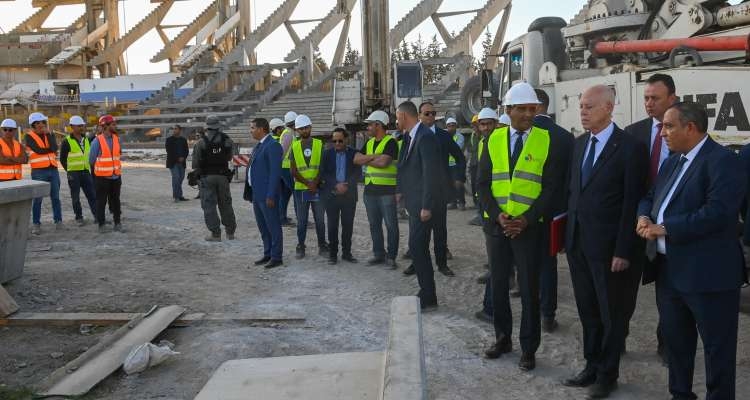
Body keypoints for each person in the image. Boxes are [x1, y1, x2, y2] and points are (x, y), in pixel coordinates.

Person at [637, 102, 746, 400]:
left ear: (691, 127)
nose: (662, 133)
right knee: (676, 343)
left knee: (717, 349)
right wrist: (643, 216)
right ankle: (680, 395)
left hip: (709, 274)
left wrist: (666, 227)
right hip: (669, 272)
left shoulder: (723, 161)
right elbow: (650, 196)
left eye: (669, 126)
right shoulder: (672, 161)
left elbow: (719, 213)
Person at [563, 85, 649, 398]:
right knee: (587, 310)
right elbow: (574, 193)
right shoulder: (580, 144)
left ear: (609, 108)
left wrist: (624, 250)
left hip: (610, 250)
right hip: (579, 245)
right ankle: (591, 365)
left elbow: (631, 201)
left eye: (588, 107)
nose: (582, 112)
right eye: (581, 106)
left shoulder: (629, 147)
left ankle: (607, 374)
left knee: (612, 314)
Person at [478, 82, 567, 372]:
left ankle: (529, 349)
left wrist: (526, 220)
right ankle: (502, 339)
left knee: (529, 291)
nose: (529, 114)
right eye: (523, 109)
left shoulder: (546, 139)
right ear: (509, 110)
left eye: (533, 109)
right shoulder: (492, 139)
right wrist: (497, 216)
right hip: (499, 228)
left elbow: (551, 189)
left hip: (530, 229)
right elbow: (482, 185)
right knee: (500, 286)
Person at [624, 73, 677, 362]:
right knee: (624, 289)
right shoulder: (633, 133)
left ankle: (666, 343)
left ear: (672, 99)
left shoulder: (682, 133)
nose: (649, 103)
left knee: (667, 292)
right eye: (646, 98)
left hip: (667, 228)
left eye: (655, 98)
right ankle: (617, 340)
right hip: (637, 224)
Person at [403, 102, 463, 277]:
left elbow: (458, 156)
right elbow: (404, 165)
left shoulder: (443, 136)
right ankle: (416, 262)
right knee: (417, 232)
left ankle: (442, 263)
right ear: (419, 115)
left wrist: (458, 177)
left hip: (439, 192)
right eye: (427, 113)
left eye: (433, 113)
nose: (430, 116)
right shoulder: (411, 136)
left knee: (439, 230)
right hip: (418, 194)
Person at [533, 89, 575, 333]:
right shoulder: (565, 137)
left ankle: (533, 309)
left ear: (536, 106)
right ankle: (548, 315)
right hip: (555, 214)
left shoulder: (524, 135)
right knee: (548, 265)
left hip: (526, 211)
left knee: (528, 264)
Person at [396, 101, 441, 310]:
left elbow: (431, 175)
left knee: (417, 246)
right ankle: (427, 293)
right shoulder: (410, 136)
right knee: (417, 247)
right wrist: (400, 191)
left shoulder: (426, 137)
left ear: (404, 116)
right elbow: (405, 166)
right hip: (413, 203)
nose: (396, 121)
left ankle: (428, 295)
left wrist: (426, 206)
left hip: (424, 205)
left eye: (397, 117)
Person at [354, 110, 400, 269]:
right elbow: (356, 159)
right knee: (374, 225)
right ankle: (378, 254)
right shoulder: (370, 142)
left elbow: (384, 163)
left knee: (391, 226)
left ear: (378, 125)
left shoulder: (391, 142)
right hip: (370, 191)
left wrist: (368, 159)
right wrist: (375, 156)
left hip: (387, 192)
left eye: (370, 125)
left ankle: (391, 257)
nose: (368, 128)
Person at [244, 118, 284, 269]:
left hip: (267, 194)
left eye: (253, 127)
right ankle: (268, 252)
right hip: (257, 193)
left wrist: (271, 195)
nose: (251, 130)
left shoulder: (273, 146)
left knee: (273, 225)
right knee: (263, 226)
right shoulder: (260, 145)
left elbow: (275, 173)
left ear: (261, 129)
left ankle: (276, 256)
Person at [191, 115, 237, 241]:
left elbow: (195, 163)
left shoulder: (200, 142)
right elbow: (230, 157)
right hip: (223, 176)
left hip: (207, 177)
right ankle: (230, 232)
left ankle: (215, 234)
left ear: (207, 127)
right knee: (226, 204)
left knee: (209, 205)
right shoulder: (227, 140)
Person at [289, 114, 327, 258]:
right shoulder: (294, 146)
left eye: (306, 127)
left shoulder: (319, 144)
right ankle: (301, 246)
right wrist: (308, 183)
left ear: (310, 127)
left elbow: (322, 167)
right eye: (301, 129)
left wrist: (314, 183)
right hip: (301, 189)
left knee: (320, 220)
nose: (304, 130)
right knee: (302, 221)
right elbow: (293, 170)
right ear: (297, 130)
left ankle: (322, 245)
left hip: (316, 188)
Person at [321, 128, 360, 265]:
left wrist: (347, 184)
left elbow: (358, 173)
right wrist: (335, 185)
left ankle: (347, 253)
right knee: (332, 226)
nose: (337, 143)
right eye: (334, 141)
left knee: (348, 226)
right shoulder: (326, 154)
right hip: (331, 195)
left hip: (349, 196)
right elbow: (323, 173)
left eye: (340, 140)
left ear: (346, 139)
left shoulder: (354, 154)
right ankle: (332, 254)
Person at [25, 112, 62, 234]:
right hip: (39, 171)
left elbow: (55, 148)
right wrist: (50, 149)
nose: (42, 125)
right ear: (33, 125)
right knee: (38, 199)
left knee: (56, 197)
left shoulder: (49, 134)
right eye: (39, 123)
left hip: (53, 169)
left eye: (43, 123)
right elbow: (38, 150)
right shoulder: (29, 136)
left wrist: (50, 136)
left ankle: (58, 221)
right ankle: (36, 224)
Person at [89, 115, 125, 233]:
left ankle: (117, 222)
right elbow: (91, 160)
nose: (115, 126)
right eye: (113, 124)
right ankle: (101, 224)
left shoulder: (116, 139)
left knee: (116, 201)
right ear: (105, 126)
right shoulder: (97, 141)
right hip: (102, 178)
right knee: (101, 202)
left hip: (115, 177)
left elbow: (118, 154)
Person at [60, 116, 97, 226]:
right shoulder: (66, 141)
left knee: (92, 195)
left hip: (86, 172)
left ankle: (97, 216)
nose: (82, 127)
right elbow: (62, 159)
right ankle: (79, 217)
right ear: (72, 127)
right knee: (75, 197)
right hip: (74, 174)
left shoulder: (86, 139)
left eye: (82, 125)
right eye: (79, 126)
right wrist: (69, 171)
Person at [279, 112, 297, 226]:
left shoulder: (288, 133)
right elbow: (282, 152)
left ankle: (282, 218)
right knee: (296, 192)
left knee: (286, 194)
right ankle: (301, 217)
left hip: (285, 168)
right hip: (286, 168)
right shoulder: (289, 134)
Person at [445, 117, 466, 210]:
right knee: (449, 184)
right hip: (448, 164)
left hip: (457, 164)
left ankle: (461, 202)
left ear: (456, 126)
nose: (451, 128)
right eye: (449, 126)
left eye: (453, 126)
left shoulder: (460, 136)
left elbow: (457, 149)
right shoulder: (445, 136)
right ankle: (453, 202)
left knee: (458, 183)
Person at [165, 124, 189, 202]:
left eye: (176, 129)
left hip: (182, 162)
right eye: (173, 129)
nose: (174, 130)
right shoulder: (169, 140)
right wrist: (178, 158)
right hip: (173, 162)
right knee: (176, 178)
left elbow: (186, 150)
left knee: (181, 178)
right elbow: (169, 151)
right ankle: (176, 196)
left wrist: (183, 157)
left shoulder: (183, 140)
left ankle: (179, 195)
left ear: (180, 130)